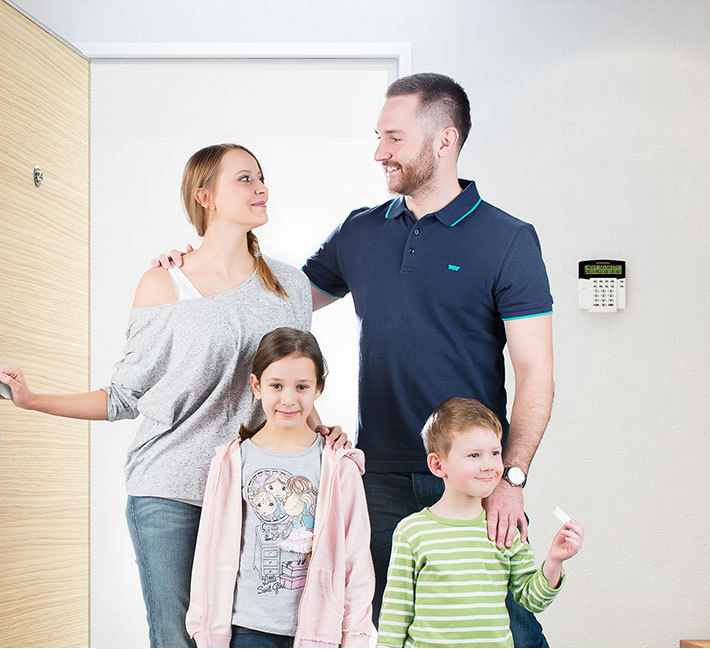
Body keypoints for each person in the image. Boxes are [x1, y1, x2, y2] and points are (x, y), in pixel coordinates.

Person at [162, 72, 559, 646]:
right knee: (393, 629)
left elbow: (536, 374)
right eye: (379, 137)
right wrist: (196, 264)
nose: (379, 152)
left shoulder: (508, 239)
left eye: (393, 138)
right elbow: (279, 299)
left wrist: (510, 478)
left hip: (474, 473)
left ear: (444, 140)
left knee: (506, 628)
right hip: (381, 477)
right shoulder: (361, 231)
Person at [0, 143, 317, 647]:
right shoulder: (164, 284)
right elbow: (125, 396)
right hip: (171, 490)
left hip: (256, 488)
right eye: (245, 179)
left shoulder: (290, 286)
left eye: (261, 178)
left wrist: (322, 436)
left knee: (256, 637)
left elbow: (294, 385)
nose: (261, 188)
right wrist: (34, 400)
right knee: (176, 638)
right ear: (204, 195)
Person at [186, 328, 375, 648]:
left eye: (302, 386)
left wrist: (355, 635)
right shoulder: (232, 460)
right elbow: (209, 549)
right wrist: (206, 628)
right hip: (247, 629)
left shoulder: (340, 466)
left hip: (319, 633)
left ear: (318, 389)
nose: (289, 399)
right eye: (276, 385)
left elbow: (356, 558)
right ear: (256, 386)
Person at [375, 398, 584, 648]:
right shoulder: (411, 532)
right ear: (438, 465)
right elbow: (396, 614)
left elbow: (533, 600)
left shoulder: (504, 529)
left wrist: (554, 560)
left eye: (495, 453)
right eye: (474, 455)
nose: (488, 466)